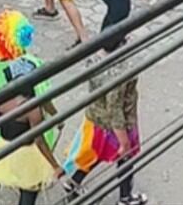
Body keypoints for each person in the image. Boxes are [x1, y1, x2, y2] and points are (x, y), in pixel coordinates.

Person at [0, 10, 63, 205]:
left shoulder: (1, 96)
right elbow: (40, 140)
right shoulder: (31, 107)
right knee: (28, 196)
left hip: (5, 148)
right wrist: (55, 166)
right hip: (27, 155)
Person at [63, 36, 148, 205]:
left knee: (97, 153)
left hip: (95, 117)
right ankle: (125, 197)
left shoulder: (95, 57)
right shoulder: (120, 71)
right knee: (126, 157)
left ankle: (73, 182)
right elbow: (115, 109)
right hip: (117, 124)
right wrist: (124, 141)